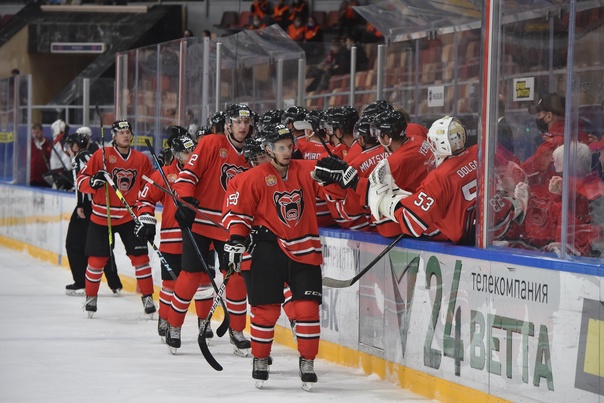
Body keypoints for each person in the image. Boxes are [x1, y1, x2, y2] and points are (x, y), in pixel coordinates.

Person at [221, 123, 323, 388]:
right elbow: (237, 214)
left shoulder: (309, 170)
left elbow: (334, 188)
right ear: (268, 149)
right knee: (265, 312)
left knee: (307, 310)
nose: (286, 151)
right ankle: (260, 358)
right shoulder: (251, 178)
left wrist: (341, 175)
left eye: (289, 146)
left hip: (305, 251)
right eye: (280, 147)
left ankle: (308, 361)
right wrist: (236, 239)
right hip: (268, 252)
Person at [168, 104, 253, 356]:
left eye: (246, 122)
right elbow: (188, 175)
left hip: (231, 226)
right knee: (190, 276)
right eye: (237, 122)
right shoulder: (210, 143)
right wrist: (185, 201)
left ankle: (237, 331)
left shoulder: (254, 152)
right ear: (228, 125)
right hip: (201, 222)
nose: (242, 127)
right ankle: (174, 325)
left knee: (235, 277)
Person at [136, 127, 215, 341]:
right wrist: (146, 219)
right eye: (187, 152)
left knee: (204, 284)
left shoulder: (206, 173)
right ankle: (165, 319)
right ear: (177, 155)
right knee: (171, 285)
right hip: (173, 240)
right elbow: (144, 199)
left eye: (194, 151)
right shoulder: (164, 174)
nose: (192, 155)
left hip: (201, 236)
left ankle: (204, 321)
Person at [76, 119, 156, 317]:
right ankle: (91, 297)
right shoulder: (101, 155)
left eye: (128, 132)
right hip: (101, 217)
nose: (126, 135)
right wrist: (93, 181)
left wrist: (146, 215)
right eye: (121, 132)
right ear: (113, 136)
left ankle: (147, 297)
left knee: (141, 258)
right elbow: (80, 180)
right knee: (97, 260)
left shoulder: (141, 159)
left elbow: (150, 188)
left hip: (130, 216)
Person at [366, 115, 478, 244]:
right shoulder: (479, 153)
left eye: (433, 142)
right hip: (490, 231)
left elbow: (411, 222)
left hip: (464, 241)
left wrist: (385, 203)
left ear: (442, 145)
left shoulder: (439, 177)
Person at [64, 127, 123, 296]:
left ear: (76, 146)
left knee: (73, 244)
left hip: (87, 206)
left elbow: (81, 183)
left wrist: (81, 205)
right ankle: (115, 283)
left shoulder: (78, 159)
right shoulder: (94, 156)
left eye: (70, 145)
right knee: (101, 244)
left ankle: (80, 282)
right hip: (100, 205)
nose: (68, 149)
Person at [522, 93, 589, 187]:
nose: (537, 118)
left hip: (554, 192)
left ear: (549, 116)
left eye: (539, 114)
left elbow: (525, 171)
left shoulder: (553, 143)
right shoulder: (581, 135)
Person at [47, 119, 73, 189]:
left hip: (62, 174)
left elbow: (68, 156)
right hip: (59, 173)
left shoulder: (62, 140)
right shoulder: (59, 140)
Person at [29, 122, 52, 188]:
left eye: (37, 132)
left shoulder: (49, 144)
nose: (35, 135)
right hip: (32, 179)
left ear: (42, 132)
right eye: (33, 133)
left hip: (45, 180)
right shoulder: (30, 145)